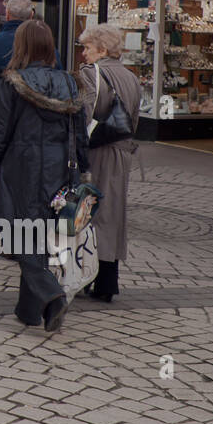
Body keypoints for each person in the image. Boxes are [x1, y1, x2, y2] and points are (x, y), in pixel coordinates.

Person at [0, 20, 90, 334]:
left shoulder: (12, 83)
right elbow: (80, 133)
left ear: (21, 46)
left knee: (18, 233)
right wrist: (83, 166)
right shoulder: (70, 83)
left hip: (20, 167)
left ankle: (52, 295)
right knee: (38, 232)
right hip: (59, 168)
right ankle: (29, 309)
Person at [77, 23, 140, 304]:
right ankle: (108, 279)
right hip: (123, 153)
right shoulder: (131, 77)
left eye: (88, 48)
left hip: (98, 152)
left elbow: (84, 115)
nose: (83, 54)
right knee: (114, 213)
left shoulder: (91, 74)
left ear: (102, 50)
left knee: (90, 212)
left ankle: (91, 276)